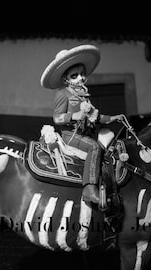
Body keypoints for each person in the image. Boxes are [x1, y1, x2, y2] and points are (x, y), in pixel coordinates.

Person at [40, 44, 123, 204]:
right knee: (94, 147)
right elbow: (57, 118)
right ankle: (89, 188)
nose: (80, 78)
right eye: (74, 75)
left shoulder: (84, 96)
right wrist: (75, 115)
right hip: (70, 135)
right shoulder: (62, 94)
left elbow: (95, 116)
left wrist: (113, 118)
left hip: (86, 133)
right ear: (65, 79)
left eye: (82, 74)